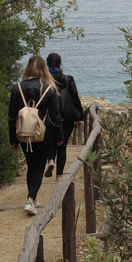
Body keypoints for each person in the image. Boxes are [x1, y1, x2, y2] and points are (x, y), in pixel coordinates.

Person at [8, 55, 64, 215]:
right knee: (39, 167)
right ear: (43, 69)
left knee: (31, 166)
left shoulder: (16, 88)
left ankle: (32, 197)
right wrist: (59, 136)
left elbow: (12, 116)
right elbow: (55, 116)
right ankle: (30, 200)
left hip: (24, 133)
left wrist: (12, 138)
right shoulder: (48, 89)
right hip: (43, 133)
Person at [46, 52, 85, 181]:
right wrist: (79, 115)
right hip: (66, 117)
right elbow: (74, 98)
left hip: (50, 116)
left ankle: (51, 160)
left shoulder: (44, 80)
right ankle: (59, 175)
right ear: (60, 64)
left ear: (47, 64)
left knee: (50, 142)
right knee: (62, 146)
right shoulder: (68, 79)